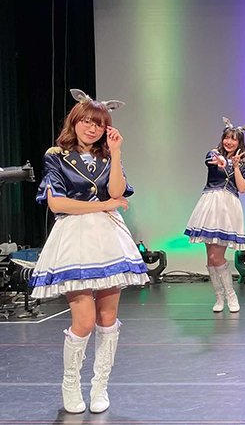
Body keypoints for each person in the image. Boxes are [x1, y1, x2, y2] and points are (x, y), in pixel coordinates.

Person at [28, 89, 150, 414]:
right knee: (83, 321)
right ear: (75, 121)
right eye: (86, 121)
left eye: (98, 124)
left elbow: (117, 191)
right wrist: (105, 205)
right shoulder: (56, 155)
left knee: (108, 318)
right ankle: (70, 384)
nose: (91, 128)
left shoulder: (107, 157)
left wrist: (117, 152)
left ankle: (100, 386)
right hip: (75, 238)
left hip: (108, 238)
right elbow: (57, 203)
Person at [184, 117, 245, 313]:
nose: (229, 142)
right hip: (211, 204)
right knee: (210, 257)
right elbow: (214, 162)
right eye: (226, 138)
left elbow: (242, 188)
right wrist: (223, 161)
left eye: (233, 139)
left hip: (228, 207)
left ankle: (231, 294)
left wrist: (236, 166)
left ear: (240, 142)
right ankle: (219, 297)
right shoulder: (213, 153)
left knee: (216, 256)